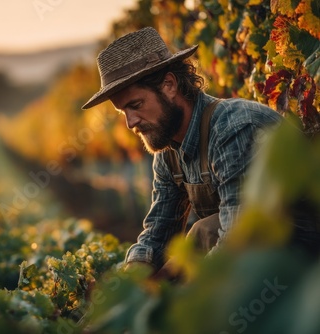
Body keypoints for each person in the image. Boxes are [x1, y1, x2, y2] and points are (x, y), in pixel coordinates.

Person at [81, 27, 283, 277]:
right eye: (124, 113)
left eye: (136, 106)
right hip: (259, 265)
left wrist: (167, 285)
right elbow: (159, 231)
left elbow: (237, 239)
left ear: (169, 85)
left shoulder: (233, 127)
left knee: (204, 232)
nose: (130, 123)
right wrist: (132, 280)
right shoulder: (168, 153)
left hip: (300, 268)